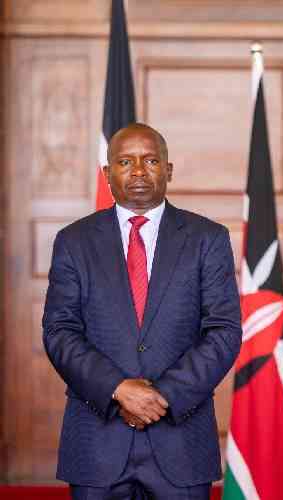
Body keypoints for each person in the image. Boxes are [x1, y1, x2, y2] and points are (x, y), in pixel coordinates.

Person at [42, 123, 242, 498]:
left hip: (181, 443)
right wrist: (118, 389)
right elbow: (60, 332)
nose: (138, 171)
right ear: (107, 173)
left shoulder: (208, 238)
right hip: (97, 444)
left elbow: (223, 331)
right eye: (125, 162)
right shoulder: (73, 241)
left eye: (150, 161)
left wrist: (161, 396)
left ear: (168, 170)